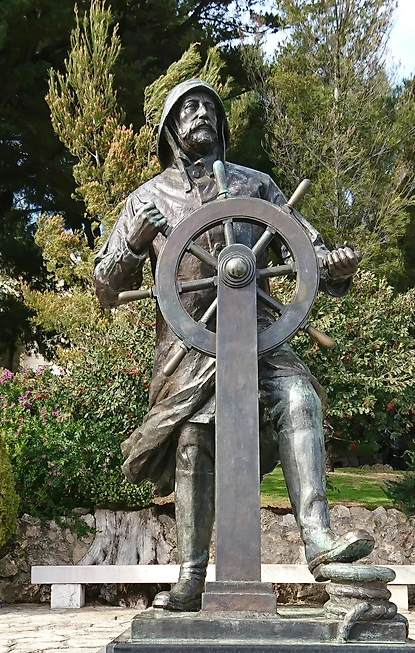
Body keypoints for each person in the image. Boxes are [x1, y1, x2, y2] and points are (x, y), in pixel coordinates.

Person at [94, 79, 372, 612]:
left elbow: (306, 250)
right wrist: (133, 241)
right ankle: (191, 576)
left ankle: (319, 542)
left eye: (208, 107)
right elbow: (105, 287)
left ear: (221, 123)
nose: (199, 113)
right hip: (189, 347)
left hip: (259, 335)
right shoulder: (147, 199)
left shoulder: (256, 185)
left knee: (300, 399)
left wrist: (334, 266)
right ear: (170, 128)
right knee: (193, 438)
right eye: (187, 108)